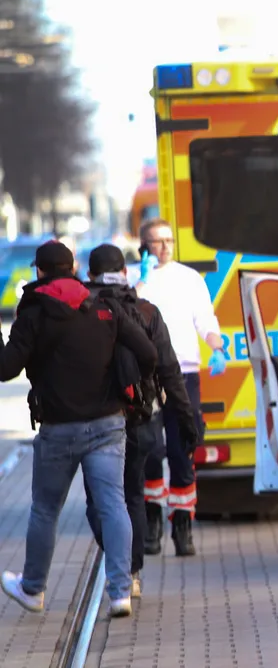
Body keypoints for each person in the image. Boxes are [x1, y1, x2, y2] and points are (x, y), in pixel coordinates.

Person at [0, 240, 157, 618]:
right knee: (113, 504)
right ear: (73, 269)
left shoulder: (32, 313)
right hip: (108, 424)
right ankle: (121, 591)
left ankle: (33, 589)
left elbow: (5, 370)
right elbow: (148, 354)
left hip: (58, 429)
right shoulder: (104, 307)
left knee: (45, 510)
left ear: (39, 271)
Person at [82, 244, 200, 598]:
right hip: (140, 419)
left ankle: (121, 562)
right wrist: (187, 418)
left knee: (99, 501)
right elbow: (170, 371)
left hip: (94, 420)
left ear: (90, 275)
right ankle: (131, 572)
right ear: (125, 272)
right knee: (132, 493)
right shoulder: (147, 311)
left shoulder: (79, 311)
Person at [134, 218, 224, 556]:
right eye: (157, 242)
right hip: (147, 377)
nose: (165, 247)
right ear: (144, 246)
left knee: (182, 449)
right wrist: (140, 281)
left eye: (169, 240)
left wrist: (217, 347)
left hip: (184, 374)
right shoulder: (135, 279)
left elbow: (205, 319)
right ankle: (152, 521)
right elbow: (125, 314)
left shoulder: (189, 278)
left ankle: (183, 525)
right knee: (151, 450)